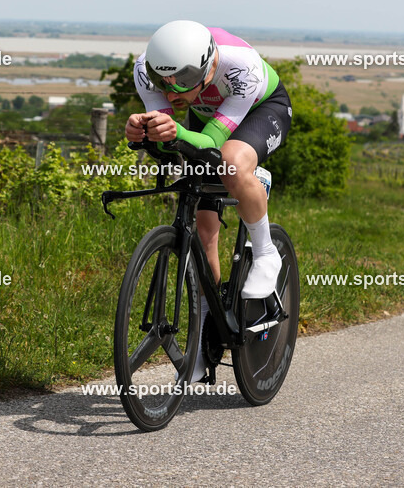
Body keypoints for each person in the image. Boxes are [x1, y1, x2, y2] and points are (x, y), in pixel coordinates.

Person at [124, 20, 292, 381]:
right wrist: (142, 131)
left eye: (182, 84)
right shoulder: (145, 70)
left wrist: (177, 131)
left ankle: (265, 254)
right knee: (203, 233)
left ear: (208, 65)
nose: (170, 94)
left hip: (260, 111)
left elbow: (214, 140)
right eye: (163, 84)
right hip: (204, 119)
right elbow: (168, 133)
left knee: (231, 161)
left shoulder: (241, 66)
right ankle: (202, 335)